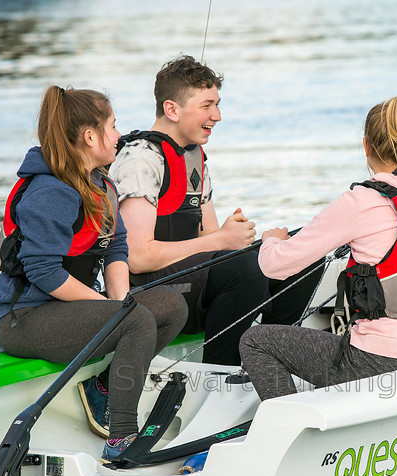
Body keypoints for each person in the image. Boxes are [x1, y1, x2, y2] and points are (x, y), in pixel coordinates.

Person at [0, 85, 187, 462]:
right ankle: (121, 439)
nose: (119, 135)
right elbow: (44, 272)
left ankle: (105, 388)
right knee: (136, 322)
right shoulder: (50, 192)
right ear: (90, 136)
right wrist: (113, 312)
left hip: (71, 311)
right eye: (113, 126)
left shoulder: (102, 183)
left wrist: (119, 303)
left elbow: (116, 247)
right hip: (26, 319)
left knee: (170, 306)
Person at [238, 95, 397, 400]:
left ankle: (290, 423)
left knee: (256, 340)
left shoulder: (359, 202)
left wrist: (272, 240)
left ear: (366, 146)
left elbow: (275, 266)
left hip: (373, 363)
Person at [109, 55, 321, 367]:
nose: (217, 115)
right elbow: (137, 258)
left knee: (301, 253)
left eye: (217, 104)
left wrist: (261, 243)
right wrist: (223, 241)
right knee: (244, 270)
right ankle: (222, 372)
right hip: (152, 291)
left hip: (190, 281)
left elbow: (211, 238)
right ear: (172, 110)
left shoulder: (195, 157)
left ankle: (273, 358)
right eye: (207, 105)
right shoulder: (141, 160)